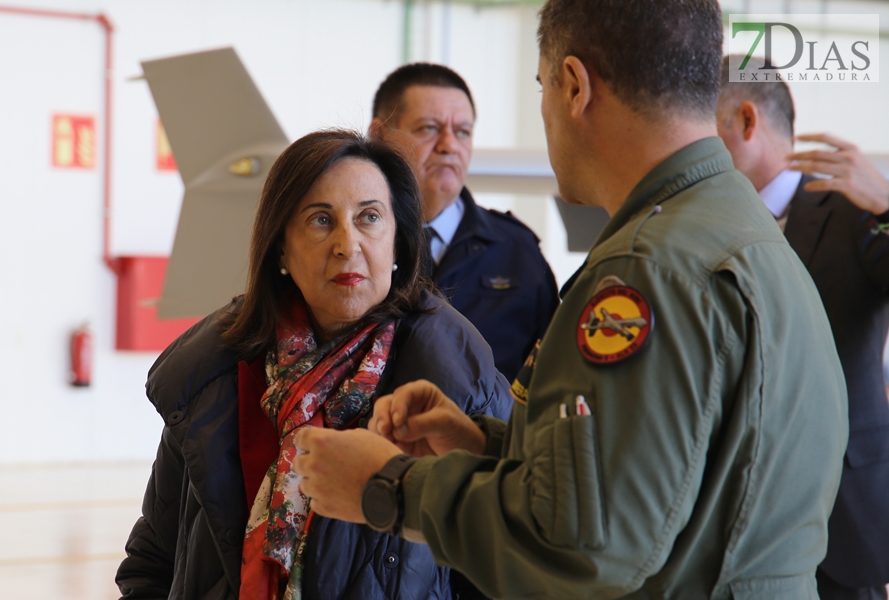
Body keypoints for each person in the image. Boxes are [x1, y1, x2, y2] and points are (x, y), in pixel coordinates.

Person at [294, 0, 849, 597]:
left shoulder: (648, 272)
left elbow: (584, 546)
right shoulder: (744, 232)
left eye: (542, 83)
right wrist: (491, 445)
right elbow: (675, 479)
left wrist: (389, 487)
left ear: (574, 86)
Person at [114, 129, 513, 600]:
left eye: (369, 217)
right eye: (321, 220)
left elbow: (502, 567)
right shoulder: (214, 375)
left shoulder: (457, 385)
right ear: (281, 248)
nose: (347, 244)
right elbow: (153, 561)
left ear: (399, 244)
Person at [716, 56, 889, 600]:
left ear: (747, 122)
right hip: (735, 527)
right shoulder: (704, 222)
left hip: (845, 514)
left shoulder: (857, 208)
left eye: (702, 130)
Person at [369, 63, 558, 382]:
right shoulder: (350, 246)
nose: (449, 145)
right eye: (429, 128)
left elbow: (553, 379)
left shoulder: (517, 254)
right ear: (378, 136)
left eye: (462, 132)